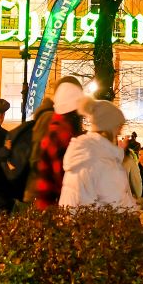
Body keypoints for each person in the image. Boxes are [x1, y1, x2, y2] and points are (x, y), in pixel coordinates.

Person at [59, 98, 138, 209]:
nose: (120, 133)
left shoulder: (85, 151)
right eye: (118, 128)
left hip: (74, 223)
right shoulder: (101, 160)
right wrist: (139, 214)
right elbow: (116, 205)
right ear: (108, 128)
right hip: (94, 224)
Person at [32, 77, 86, 209]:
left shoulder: (58, 128)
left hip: (52, 202)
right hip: (58, 205)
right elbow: (62, 176)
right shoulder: (61, 133)